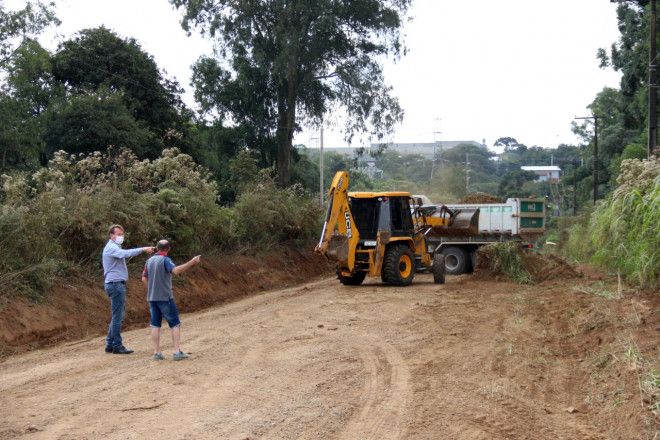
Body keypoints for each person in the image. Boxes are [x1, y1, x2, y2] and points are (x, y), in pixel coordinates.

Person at [142, 240, 201, 361]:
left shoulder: (149, 261)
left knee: (155, 325)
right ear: (168, 249)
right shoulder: (165, 260)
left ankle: (157, 353)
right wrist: (192, 262)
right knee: (174, 324)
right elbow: (176, 271)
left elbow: (144, 278)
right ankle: (176, 352)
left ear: (157, 248)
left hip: (152, 298)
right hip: (165, 297)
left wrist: (151, 290)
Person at [102, 224, 155, 354]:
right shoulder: (112, 248)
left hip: (115, 284)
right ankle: (117, 345)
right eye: (118, 235)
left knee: (117, 315)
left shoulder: (114, 246)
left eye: (122, 234)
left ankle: (110, 344)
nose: (121, 237)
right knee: (118, 316)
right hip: (115, 284)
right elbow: (124, 254)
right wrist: (143, 249)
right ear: (111, 235)